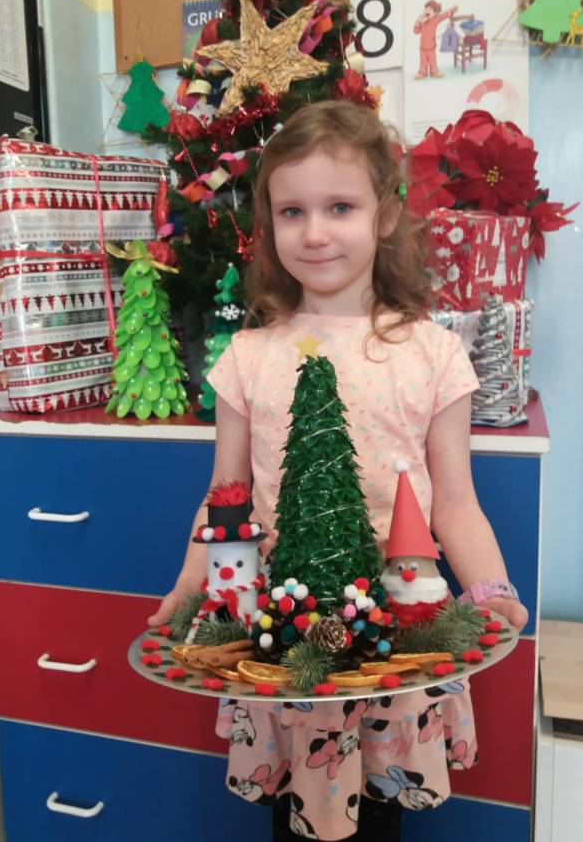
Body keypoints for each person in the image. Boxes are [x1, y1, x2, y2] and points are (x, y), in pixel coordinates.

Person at [148, 100, 528, 841]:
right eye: (292, 211)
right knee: (296, 811)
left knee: (380, 813)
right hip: (284, 630)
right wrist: (190, 588)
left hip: (397, 623)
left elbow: (454, 502)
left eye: (340, 207)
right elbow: (224, 500)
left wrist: (491, 589)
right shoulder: (248, 357)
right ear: (269, 224)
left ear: (385, 215)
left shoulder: (432, 353)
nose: (315, 232)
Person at [414, 1, 458, 79]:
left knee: (432, 61)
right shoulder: (423, 22)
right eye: (426, 9)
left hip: (431, 46)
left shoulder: (435, 20)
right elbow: (416, 31)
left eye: (430, 10)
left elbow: (443, 16)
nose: (427, 11)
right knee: (423, 62)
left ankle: (434, 72)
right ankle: (422, 72)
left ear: (435, 13)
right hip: (422, 47)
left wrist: (451, 11)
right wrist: (418, 21)